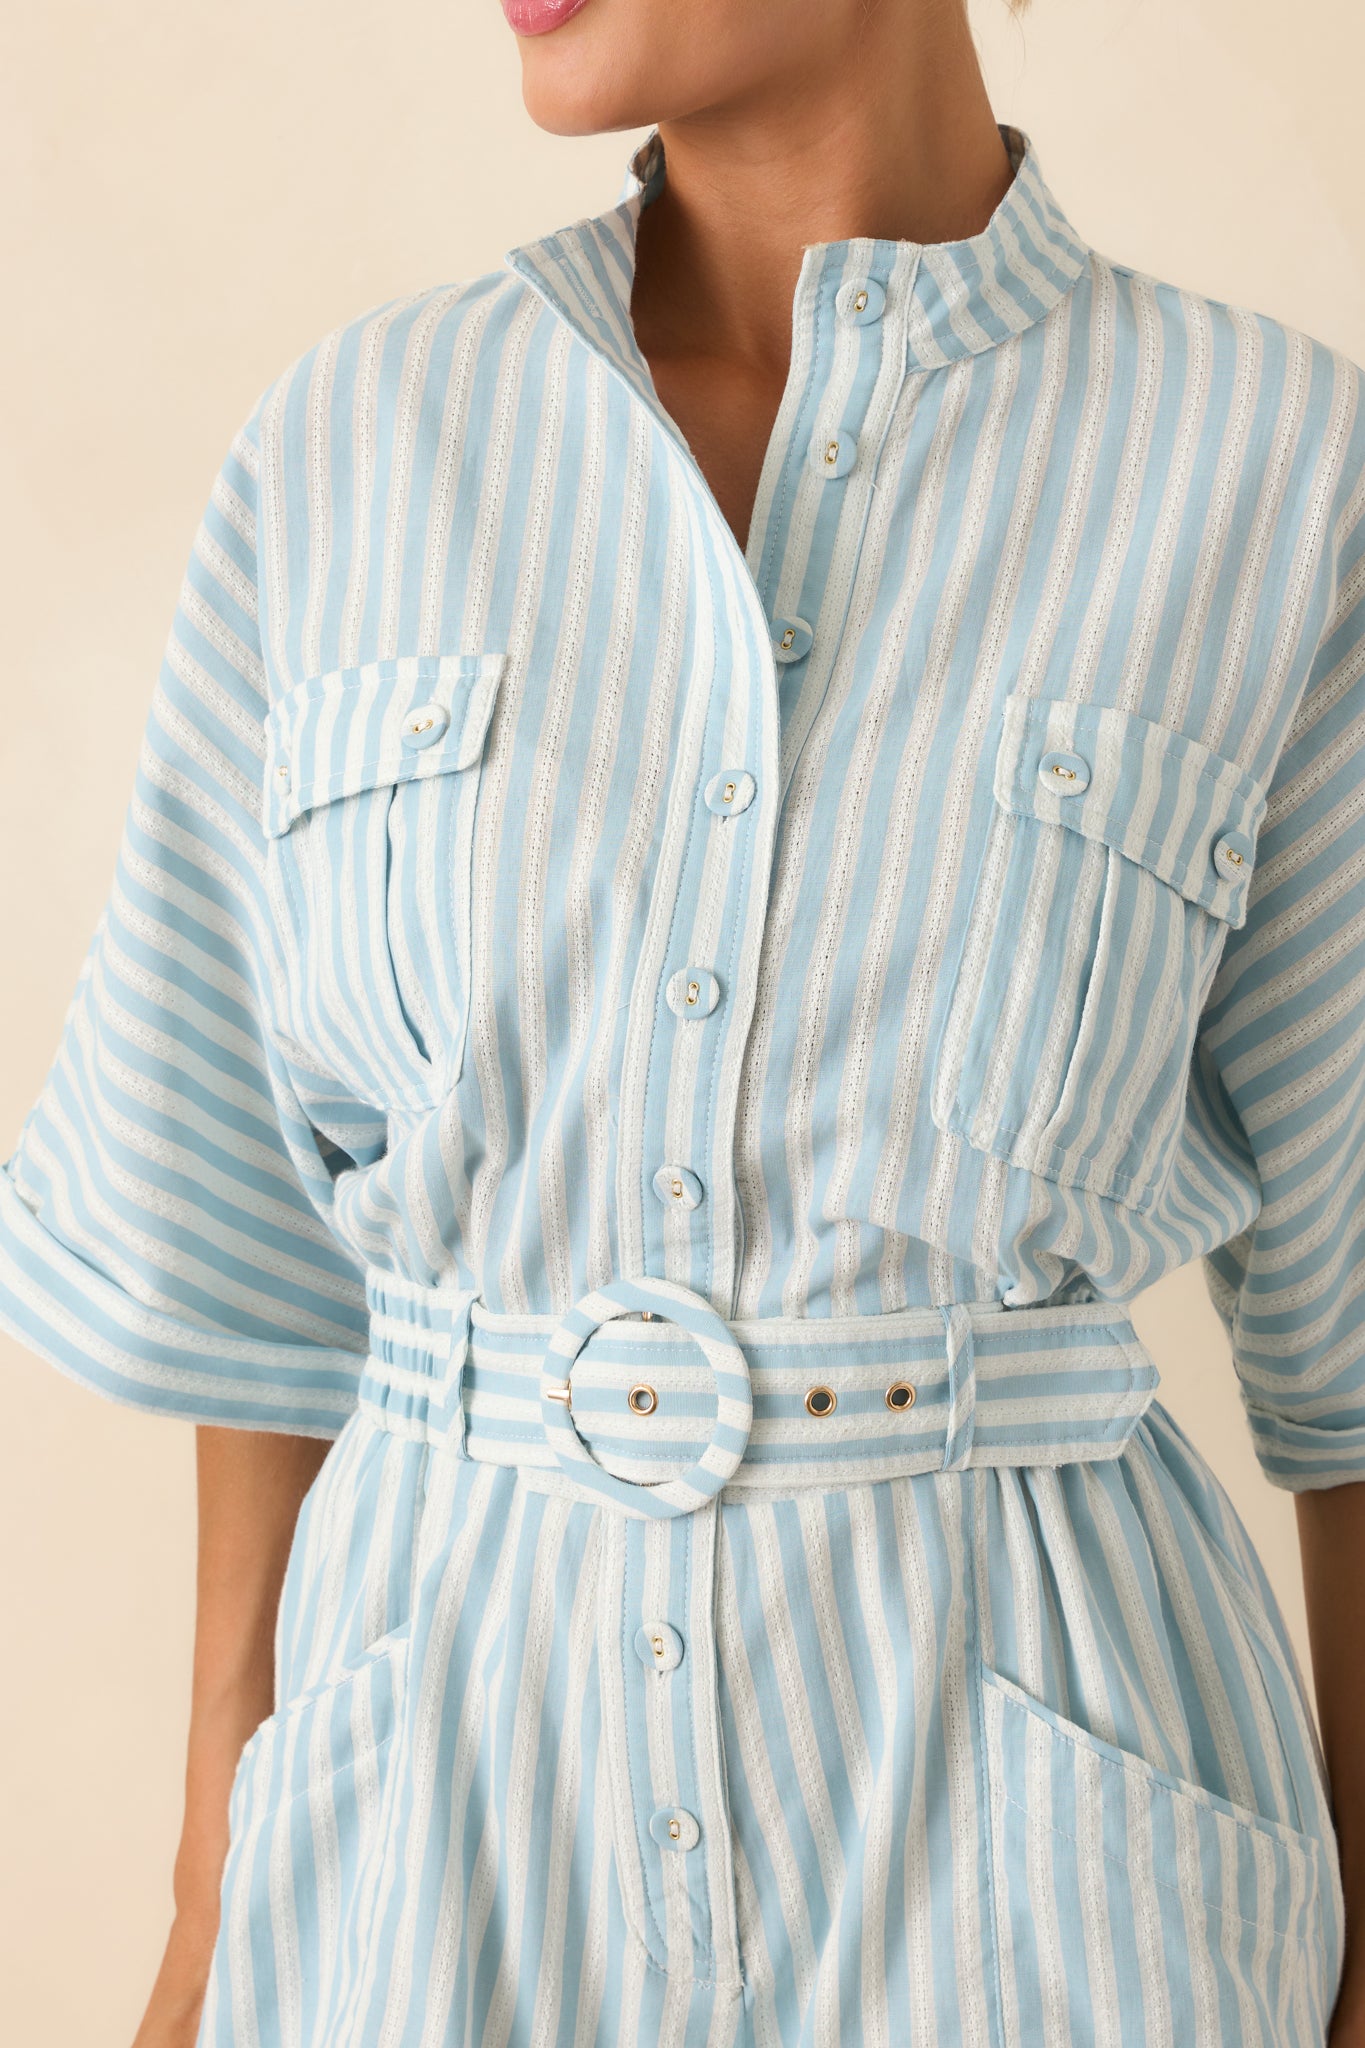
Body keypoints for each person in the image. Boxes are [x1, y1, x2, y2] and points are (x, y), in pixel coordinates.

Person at [2, 0, 1362, 2040]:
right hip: (429, 1849)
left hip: (1044, 1866)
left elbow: (1354, 1357)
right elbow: (249, 1250)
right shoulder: (351, 449)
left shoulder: (1267, 468)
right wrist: (216, 1886)